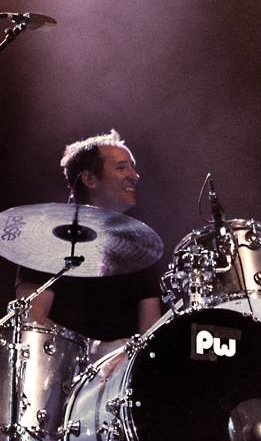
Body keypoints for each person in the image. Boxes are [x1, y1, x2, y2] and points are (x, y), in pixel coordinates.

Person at [15, 130, 162, 358]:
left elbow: (150, 331)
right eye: (122, 167)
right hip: (60, 375)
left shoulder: (143, 247)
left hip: (122, 379)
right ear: (90, 179)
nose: (134, 175)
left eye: (133, 167)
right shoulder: (46, 239)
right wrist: (94, 349)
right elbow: (30, 319)